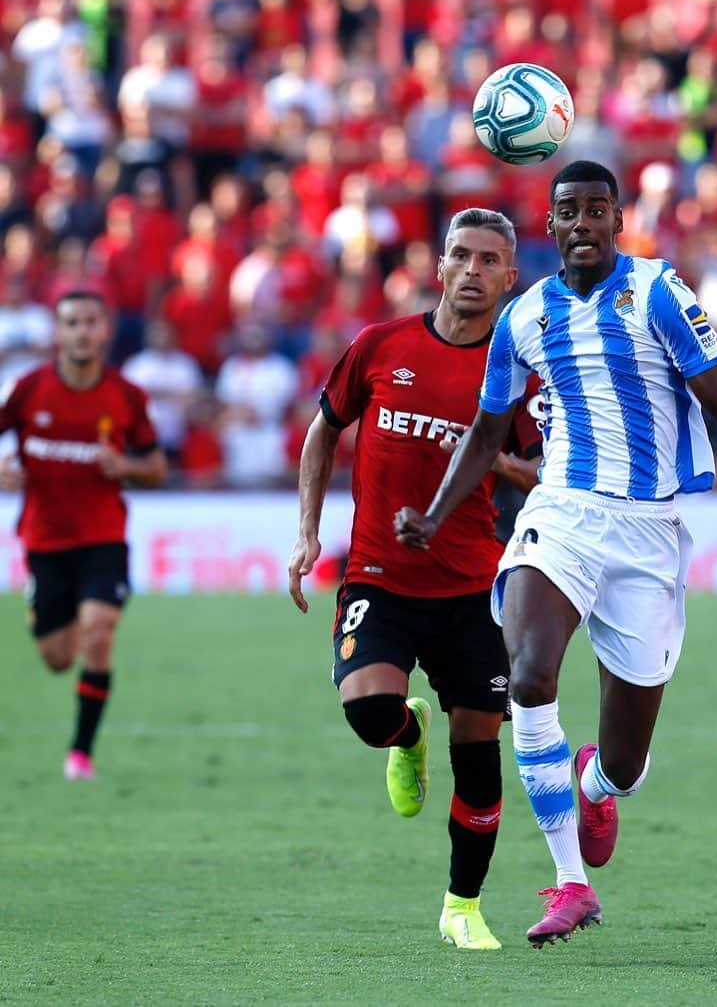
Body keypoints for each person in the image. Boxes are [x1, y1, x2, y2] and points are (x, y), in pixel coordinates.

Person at [395, 161, 717, 947]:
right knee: (525, 675)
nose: (584, 223)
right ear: (552, 225)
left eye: (598, 209)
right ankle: (570, 881)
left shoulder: (659, 292)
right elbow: (489, 433)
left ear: (618, 220)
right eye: (569, 211)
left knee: (627, 761)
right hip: (558, 513)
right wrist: (433, 513)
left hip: (649, 532)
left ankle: (597, 782)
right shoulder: (524, 317)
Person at [287, 208, 540, 951]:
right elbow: (323, 426)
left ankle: (461, 906)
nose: (472, 269)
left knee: (480, 760)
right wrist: (307, 531)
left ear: (508, 277)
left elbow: (538, 470)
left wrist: (487, 454)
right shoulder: (379, 346)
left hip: (471, 588)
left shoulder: (516, 369)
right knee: (370, 717)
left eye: (488, 259)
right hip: (378, 576)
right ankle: (406, 731)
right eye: (460, 254)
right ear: (439, 266)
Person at [0, 291, 167, 779]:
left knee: (98, 634)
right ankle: (53, 613)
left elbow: (156, 465)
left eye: (91, 322)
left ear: (105, 330)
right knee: (56, 658)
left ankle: (80, 755)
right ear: (58, 332)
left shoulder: (126, 395)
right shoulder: (28, 390)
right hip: (44, 540)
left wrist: (126, 466)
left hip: (102, 539)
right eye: (72, 323)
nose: (82, 332)